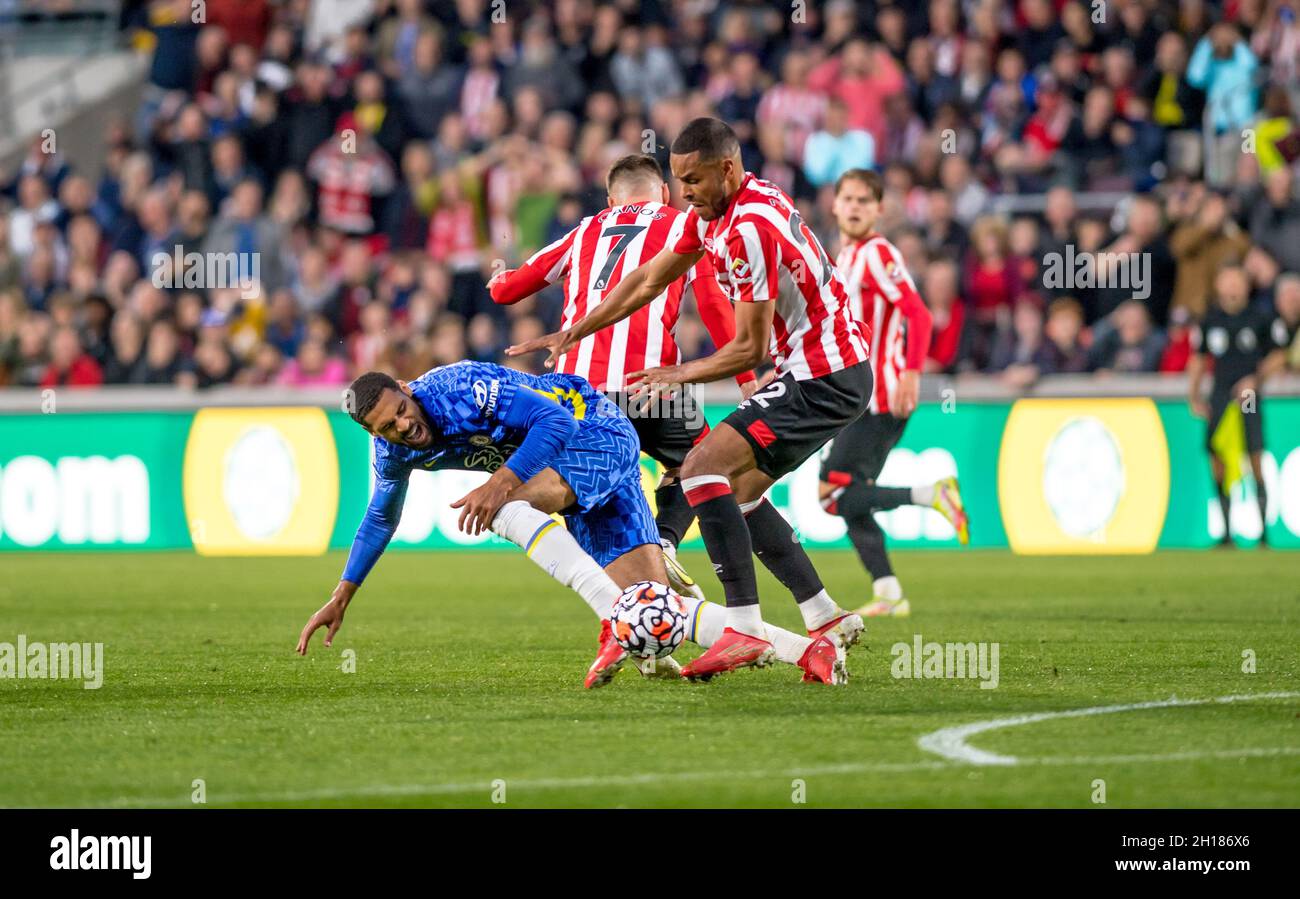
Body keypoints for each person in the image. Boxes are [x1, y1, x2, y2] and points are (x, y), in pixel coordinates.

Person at [509, 118, 868, 682]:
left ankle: (743, 629)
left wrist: (676, 373)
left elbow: (748, 346)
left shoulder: (747, 228)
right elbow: (647, 281)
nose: (685, 193)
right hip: (822, 369)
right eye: (678, 181)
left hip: (823, 374)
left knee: (701, 467)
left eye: (693, 180)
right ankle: (824, 616)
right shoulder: (717, 212)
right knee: (738, 490)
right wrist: (575, 330)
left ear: (727, 168)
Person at [295, 363, 845, 687]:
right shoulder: (392, 452)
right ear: (373, 432)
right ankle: (807, 651)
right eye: (386, 427)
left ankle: (612, 622)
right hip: (561, 466)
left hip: (594, 430)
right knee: (654, 606)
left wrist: (500, 482)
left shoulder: (458, 389)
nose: (402, 426)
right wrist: (342, 594)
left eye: (401, 410)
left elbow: (552, 419)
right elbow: (379, 516)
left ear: (407, 390)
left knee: (501, 508)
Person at [487, 153, 758, 603]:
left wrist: (498, 278)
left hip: (577, 395)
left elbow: (509, 291)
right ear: (665, 193)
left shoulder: (585, 229)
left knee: (592, 498)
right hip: (650, 388)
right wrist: (745, 375)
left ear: (612, 199)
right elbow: (713, 305)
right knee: (699, 463)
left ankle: (622, 594)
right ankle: (665, 540)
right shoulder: (685, 225)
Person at [816, 169, 969, 619]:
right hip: (856, 397)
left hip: (881, 397)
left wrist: (911, 373)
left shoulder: (877, 253)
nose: (855, 206)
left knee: (831, 494)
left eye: (865, 200)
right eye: (848, 198)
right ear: (835, 205)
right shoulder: (845, 257)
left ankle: (931, 494)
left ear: (879, 209)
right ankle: (888, 592)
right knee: (851, 497)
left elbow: (918, 314)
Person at [1187, 266, 1280, 547]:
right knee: (1217, 455)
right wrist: (1194, 395)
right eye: (1226, 280)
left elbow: (1277, 355)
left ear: (1246, 285)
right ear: (1217, 285)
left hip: (1248, 394)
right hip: (1220, 394)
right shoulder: (1209, 320)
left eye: (1237, 280)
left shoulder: (1260, 317)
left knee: (1253, 452)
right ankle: (1227, 532)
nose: (1232, 286)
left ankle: (1263, 532)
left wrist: (1255, 379)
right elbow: (1199, 359)